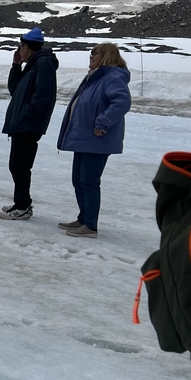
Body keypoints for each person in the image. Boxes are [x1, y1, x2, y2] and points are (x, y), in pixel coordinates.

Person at [55, 42, 131, 238]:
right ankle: (83, 218)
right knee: (78, 181)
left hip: (97, 140)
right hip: (83, 138)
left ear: (106, 56)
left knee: (88, 182)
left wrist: (102, 122)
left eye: (95, 54)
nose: (91, 57)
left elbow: (122, 102)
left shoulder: (113, 77)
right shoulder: (95, 77)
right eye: (90, 54)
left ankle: (90, 225)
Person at [0, 27, 58, 221]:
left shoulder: (43, 63)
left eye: (20, 46)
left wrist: (27, 114)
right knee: (16, 165)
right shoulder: (32, 64)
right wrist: (16, 66)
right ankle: (21, 203)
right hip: (23, 123)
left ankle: (23, 206)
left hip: (28, 124)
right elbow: (15, 90)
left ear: (26, 47)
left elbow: (43, 95)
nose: (19, 50)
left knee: (20, 166)